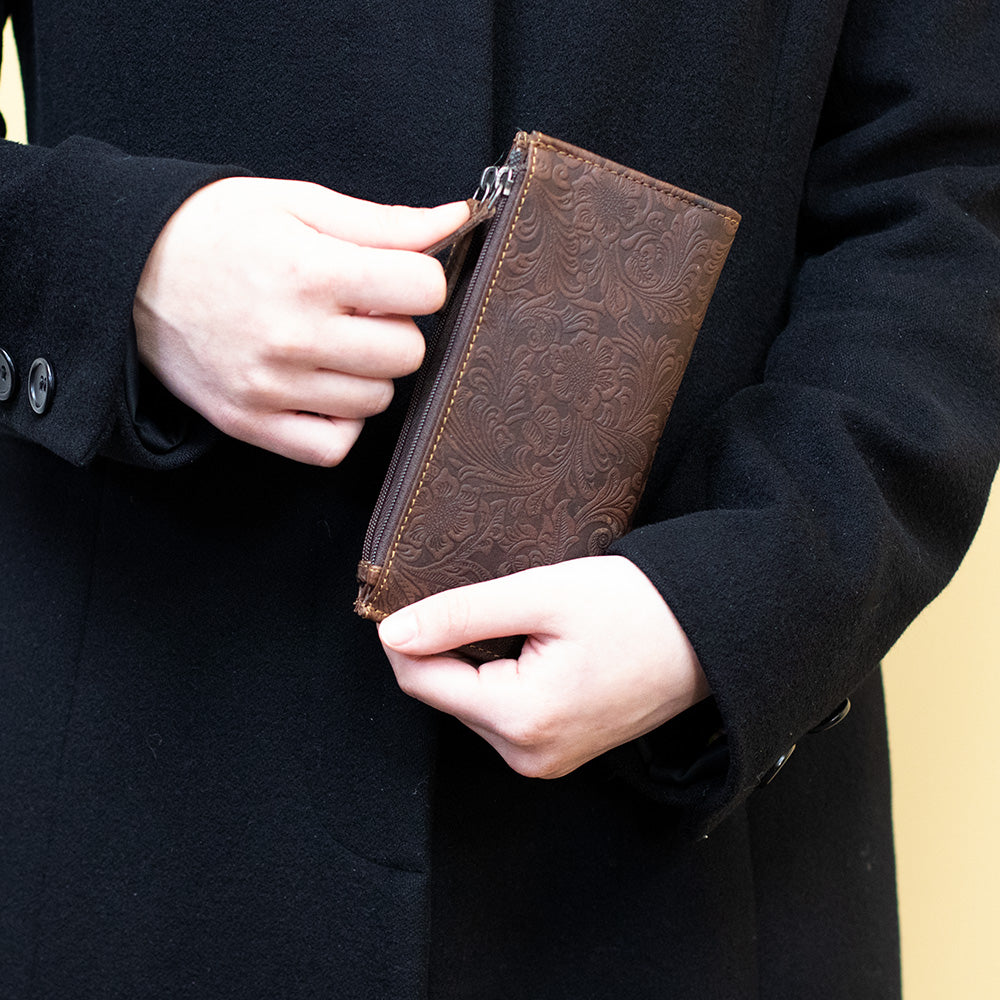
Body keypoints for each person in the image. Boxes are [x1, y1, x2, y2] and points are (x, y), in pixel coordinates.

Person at [1, 2, 998, 998]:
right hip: (123, 780)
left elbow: (947, 185)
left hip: (683, 861)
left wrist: (740, 596)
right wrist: (120, 262)